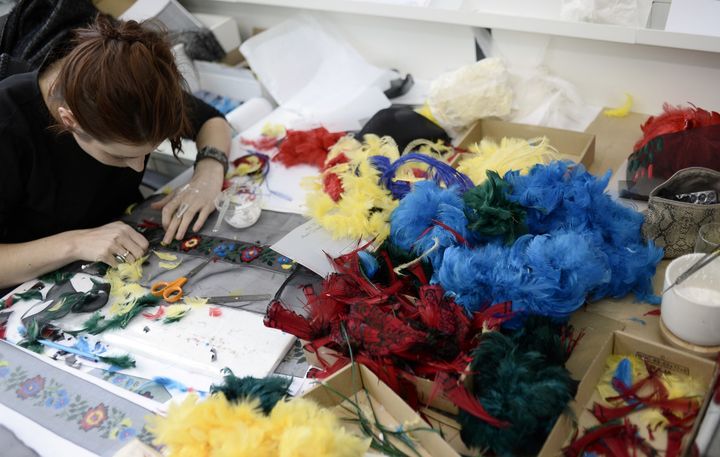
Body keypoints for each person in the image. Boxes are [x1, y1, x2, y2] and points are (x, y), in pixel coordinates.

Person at [0, 15, 232, 293]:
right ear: (69, 120)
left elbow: (212, 121)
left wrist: (207, 174)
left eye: (147, 153)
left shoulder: (129, 87)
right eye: (119, 157)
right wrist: (75, 244)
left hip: (124, 245)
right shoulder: (8, 126)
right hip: (30, 286)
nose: (136, 169)